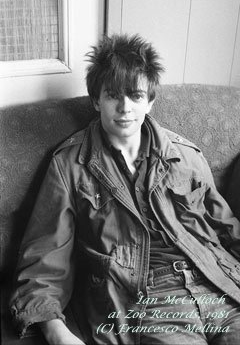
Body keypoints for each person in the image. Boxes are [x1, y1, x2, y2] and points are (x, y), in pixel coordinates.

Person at [10, 34, 240, 345]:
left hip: (217, 283)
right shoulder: (68, 165)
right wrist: (56, 331)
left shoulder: (186, 154)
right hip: (150, 300)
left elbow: (225, 229)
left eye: (135, 95)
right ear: (96, 100)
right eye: (113, 95)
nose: (124, 107)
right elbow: (45, 258)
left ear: (150, 101)